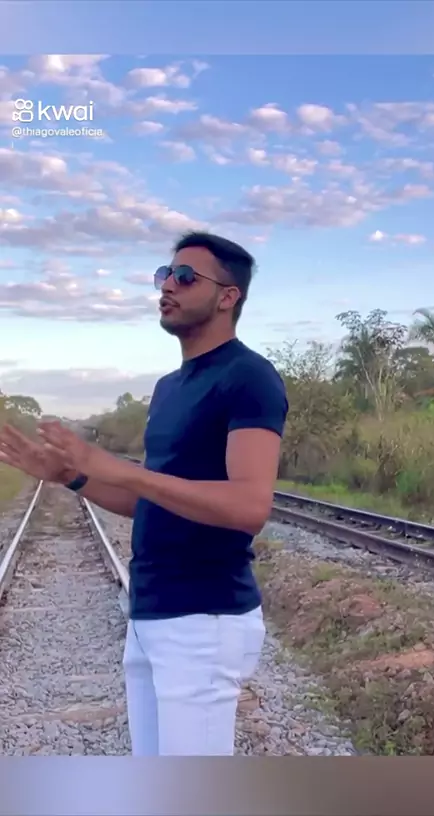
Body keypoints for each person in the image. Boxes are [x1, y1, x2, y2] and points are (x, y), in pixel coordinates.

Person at [0, 231, 289, 756]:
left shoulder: (249, 377)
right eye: (165, 274)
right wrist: (71, 477)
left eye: (185, 277)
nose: (167, 286)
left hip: (203, 620)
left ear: (228, 296)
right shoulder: (169, 389)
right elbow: (150, 503)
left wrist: (122, 470)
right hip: (150, 611)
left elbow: (250, 506)